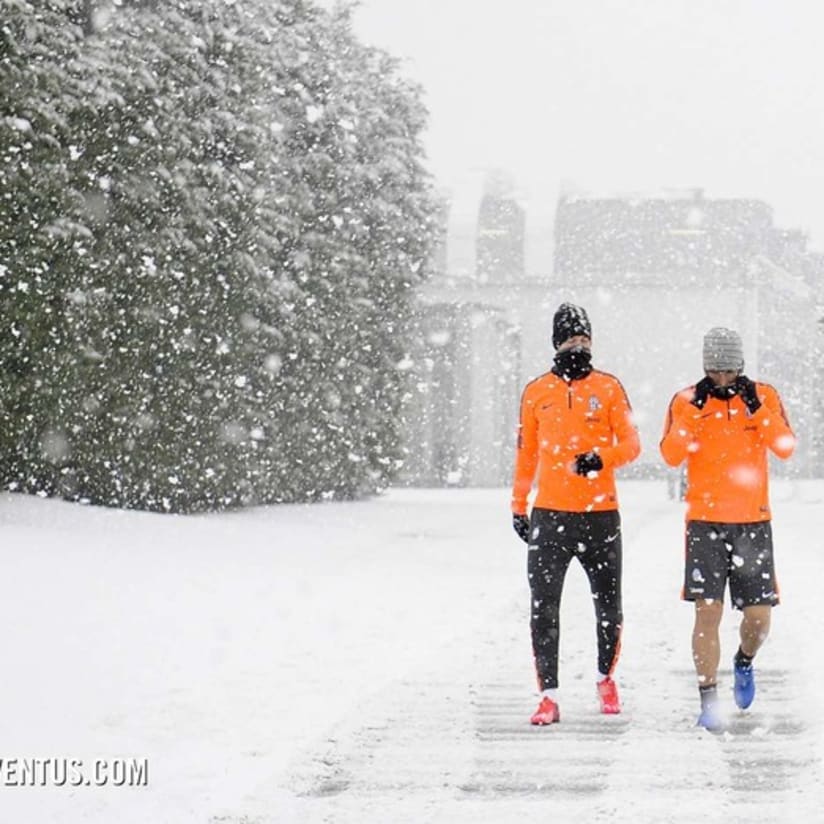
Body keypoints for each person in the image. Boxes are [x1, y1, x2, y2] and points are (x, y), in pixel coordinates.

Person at [660, 327, 795, 732]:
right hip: (705, 523)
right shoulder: (686, 400)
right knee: (708, 612)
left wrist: (756, 408)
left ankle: (744, 660)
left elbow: (786, 446)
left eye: (729, 372)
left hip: (752, 521)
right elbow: (670, 456)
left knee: (758, 617)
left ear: (741, 367)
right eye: (714, 371)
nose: (721, 380)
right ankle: (708, 698)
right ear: (705, 367)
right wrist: (693, 413)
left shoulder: (764, 396)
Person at [511, 303, 641, 725]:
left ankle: (606, 678)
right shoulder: (536, 392)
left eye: (584, 339)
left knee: (609, 606)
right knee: (544, 608)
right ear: (556, 343)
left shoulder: (608, 388)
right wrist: (518, 504)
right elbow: (526, 454)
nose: (578, 346)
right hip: (550, 517)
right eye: (570, 339)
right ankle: (547, 696)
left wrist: (600, 458)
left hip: (600, 516)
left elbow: (632, 444)